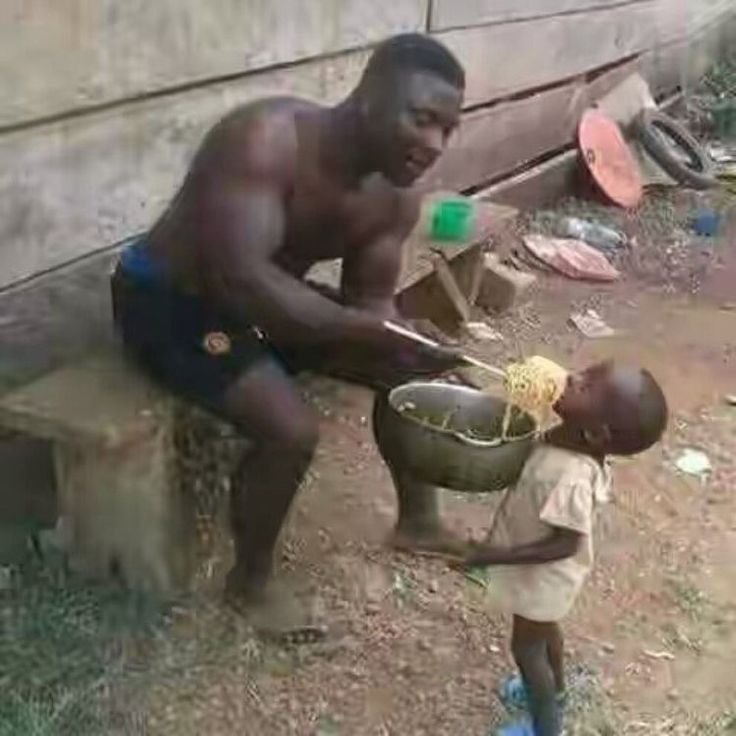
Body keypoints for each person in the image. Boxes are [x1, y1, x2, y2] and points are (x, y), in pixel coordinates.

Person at [110, 34, 467, 631]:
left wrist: (404, 340)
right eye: (423, 119)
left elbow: (369, 302)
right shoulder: (264, 140)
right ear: (369, 99)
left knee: (404, 364)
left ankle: (418, 522)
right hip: (173, 304)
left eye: (447, 130)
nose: (434, 144)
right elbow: (240, 281)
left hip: (263, 300)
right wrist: (365, 328)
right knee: (289, 431)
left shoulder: (397, 195)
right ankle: (249, 586)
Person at [454, 361, 668, 736]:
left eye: (584, 387)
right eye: (583, 373)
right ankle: (558, 690)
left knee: (527, 651)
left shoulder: (570, 478)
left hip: (545, 576)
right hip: (547, 579)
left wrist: (488, 555)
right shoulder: (569, 436)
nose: (570, 377)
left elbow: (565, 543)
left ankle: (546, 726)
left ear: (597, 434)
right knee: (545, 629)